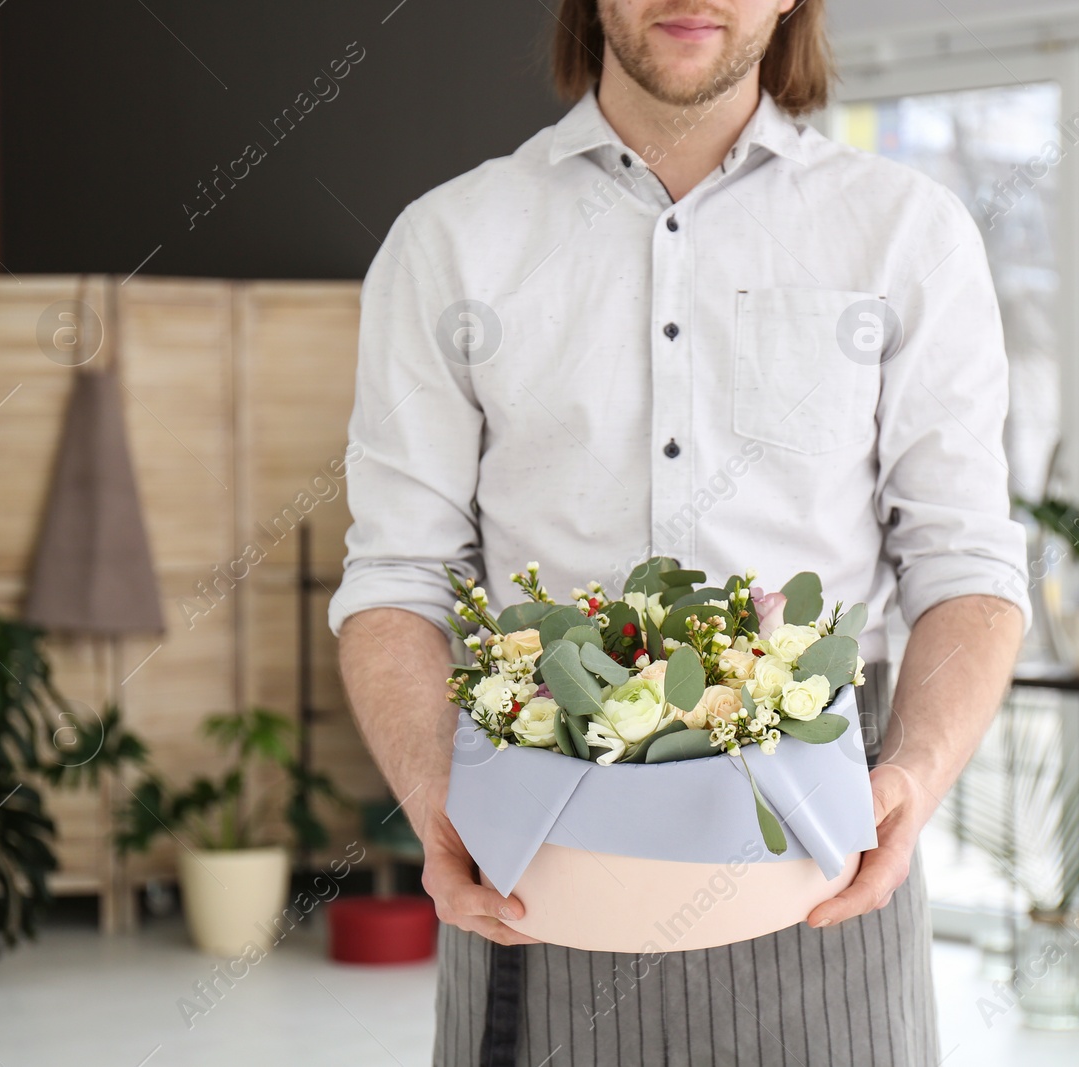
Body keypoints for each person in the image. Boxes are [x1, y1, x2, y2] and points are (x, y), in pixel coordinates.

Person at [332, 1, 1028, 1063]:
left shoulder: (905, 231)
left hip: (818, 842)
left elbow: (965, 564)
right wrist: (438, 800)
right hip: (537, 836)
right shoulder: (449, 241)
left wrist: (913, 779)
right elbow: (396, 575)